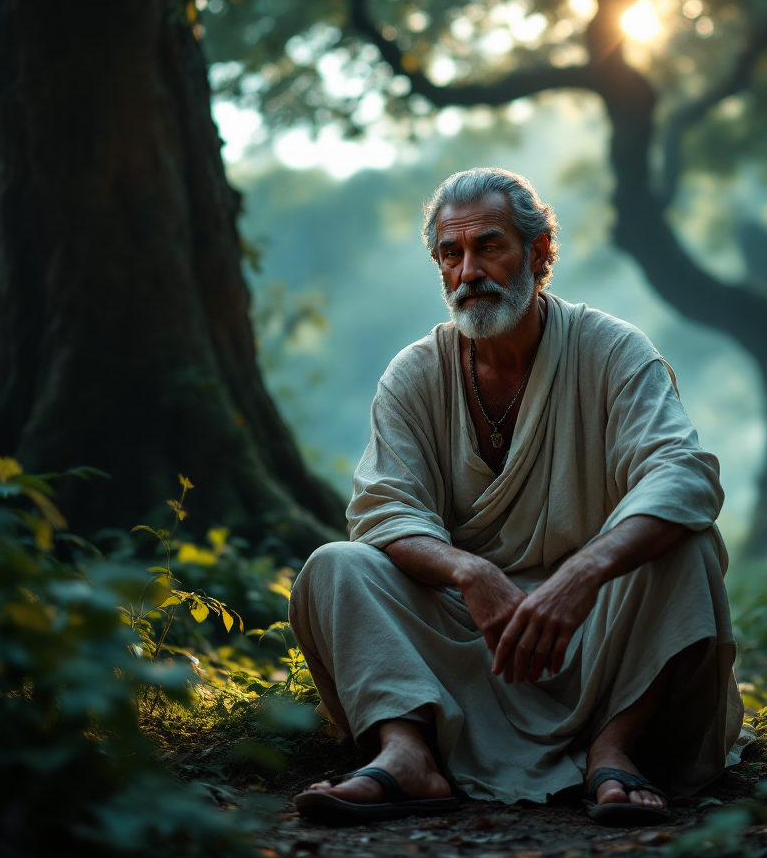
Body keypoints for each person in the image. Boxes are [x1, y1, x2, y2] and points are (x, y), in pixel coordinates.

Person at [289, 167, 743, 825]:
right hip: (477, 643)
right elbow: (384, 508)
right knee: (335, 566)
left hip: (594, 638)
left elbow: (684, 473)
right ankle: (408, 753)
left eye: (489, 246)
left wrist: (583, 574)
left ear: (540, 253)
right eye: (451, 253)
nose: (469, 270)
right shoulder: (415, 373)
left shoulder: (613, 351)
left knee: (687, 543)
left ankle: (614, 749)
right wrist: (469, 573)